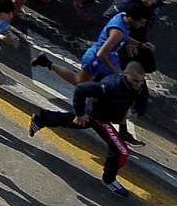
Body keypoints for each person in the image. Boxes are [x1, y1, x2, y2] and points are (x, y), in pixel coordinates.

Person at [25, 62, 149, 197]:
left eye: (140, 81)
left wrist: (136, 111)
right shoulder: (110, 86)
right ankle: (109, 179)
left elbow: (143, 98)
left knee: (79, 123)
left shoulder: (140, 84)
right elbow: (81, 90)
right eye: (135, 81)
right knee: (121, 151)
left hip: (106, 115)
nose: (138, 84)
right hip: (99, 116)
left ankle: (42, 119)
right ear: (126, 75)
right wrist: (79, 113)